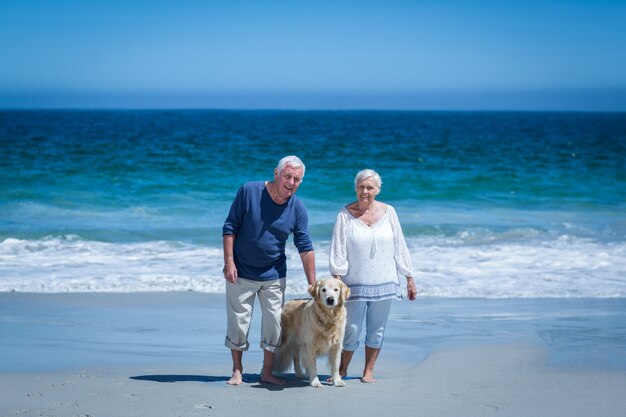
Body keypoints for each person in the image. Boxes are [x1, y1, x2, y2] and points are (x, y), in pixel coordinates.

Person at [222, 155, 316, 386]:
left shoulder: (298, 209)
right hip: (241, 271)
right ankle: (237, 370)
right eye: (288, 176)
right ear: (276, 173)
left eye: (297, 179)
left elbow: (305, 247)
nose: (291, 182)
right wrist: (229, 262)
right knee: (239, 322)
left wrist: (313, 285)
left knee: (274, 322)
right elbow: (230, 226)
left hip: (274, 274)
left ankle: (267, 372)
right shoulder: (249, 191)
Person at [329, 168, 417, 383]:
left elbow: (400, 246)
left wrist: (409, 277)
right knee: (350, 329)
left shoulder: (390, 212)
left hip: (385, 281)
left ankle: (368, 371)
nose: (365, 191)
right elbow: (338, 248)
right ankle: (342, 370)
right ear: (355, 189)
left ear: (378, 189)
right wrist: (338, 279)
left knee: (377, 330)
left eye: (370, 187)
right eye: (361, 187)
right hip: (353, 284)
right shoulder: (344, 215)